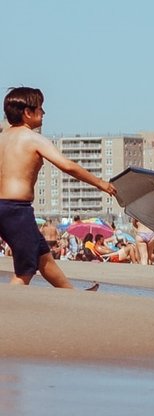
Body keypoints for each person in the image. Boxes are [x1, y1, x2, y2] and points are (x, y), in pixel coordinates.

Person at [0, 87, 115, 288]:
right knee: (25, 270)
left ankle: (70, 294)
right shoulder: (32, 138)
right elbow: (67, 166)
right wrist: (100, 183)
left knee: (43, 257)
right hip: (16, 209)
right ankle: (8, 310)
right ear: (28, 112)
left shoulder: (2, 137)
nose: (43, 113)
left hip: (5, 207)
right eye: (40, 109)